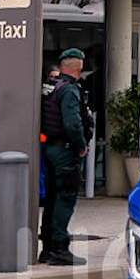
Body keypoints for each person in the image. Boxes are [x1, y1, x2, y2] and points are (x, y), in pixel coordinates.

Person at [38, 48, 91, 266]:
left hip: (50, 148)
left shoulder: (51, 87)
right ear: (78, 67)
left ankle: (48, 248)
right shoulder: (69, 90)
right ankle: (59, 248)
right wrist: (81, 145)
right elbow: (72, 123)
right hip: (65, 150)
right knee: (65, 197)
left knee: (52, 198)